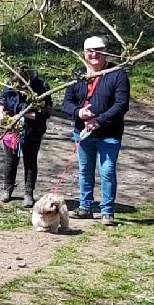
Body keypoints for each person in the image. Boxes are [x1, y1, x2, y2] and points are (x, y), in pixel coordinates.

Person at [59, 36, 131, 226]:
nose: (94, 54)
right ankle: (85, 207)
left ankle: (107, 212)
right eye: (90, 51)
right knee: (85, 170)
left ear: (106, 51)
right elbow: (66, 103)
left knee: (107, 171)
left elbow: (121, 105)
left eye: (98, 50)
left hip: (109, 133)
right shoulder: (78, 74)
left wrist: (98, 121)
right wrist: (78, 112)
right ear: (84, 53)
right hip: (82, 132)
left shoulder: (117, 74)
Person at [0, 67, 51, 208]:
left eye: (21, 84)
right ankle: (7, 189)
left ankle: (28, 193)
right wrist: (0, 113)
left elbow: (45, 112)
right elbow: (1, 100)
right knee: (10, 161)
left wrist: (23, 114)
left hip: (32, 131)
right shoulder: (10, 84)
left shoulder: (41, 86)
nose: (18, 87)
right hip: (12, 130)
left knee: (30, 162)